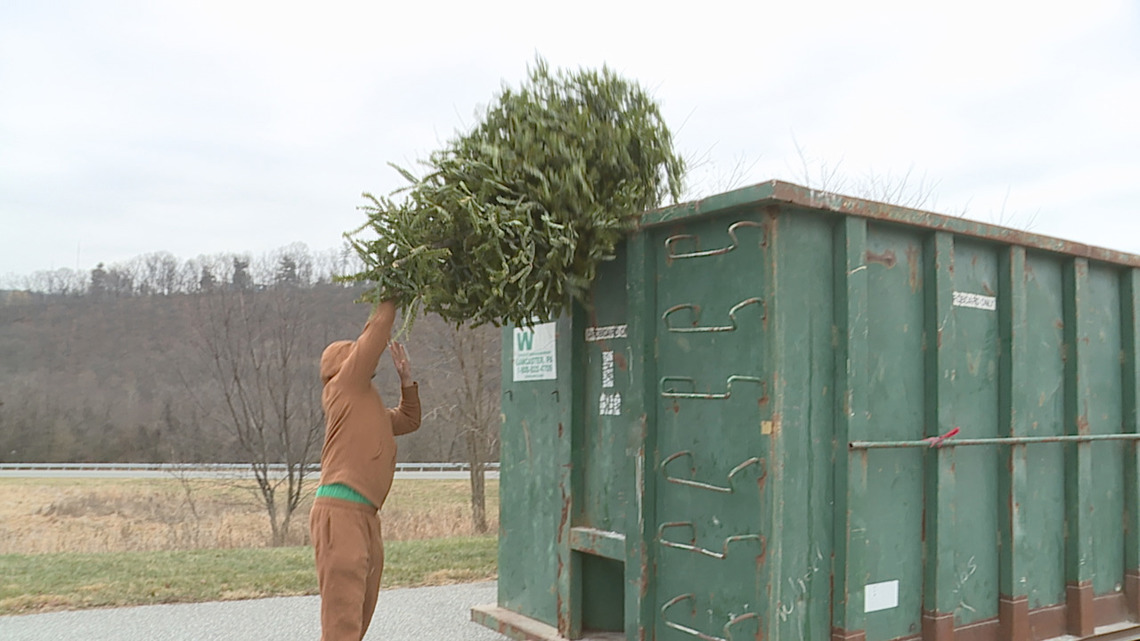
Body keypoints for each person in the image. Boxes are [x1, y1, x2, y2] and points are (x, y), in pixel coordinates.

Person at [310, 300, 421, 641]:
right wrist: (392, 293)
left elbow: (408, 420)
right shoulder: (344, 388)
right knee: (342, 624)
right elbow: (373, 338)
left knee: (358, 617)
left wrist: (406, 381)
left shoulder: (365, 402)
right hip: (340, 514)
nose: (369, 371)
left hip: (366, 517)